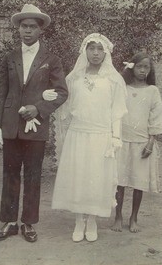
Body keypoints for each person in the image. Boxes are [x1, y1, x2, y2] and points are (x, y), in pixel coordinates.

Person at [0, 4, 68, 243]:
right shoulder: (10, 57)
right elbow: (1, 93)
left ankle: (28, 223)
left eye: (32, 27)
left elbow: (62, 92)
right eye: (24, 26)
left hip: (35, 128)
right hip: (11, 127)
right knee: (10, 174)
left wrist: (39, 109)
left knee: (33, 176)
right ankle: (10, 222)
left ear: (40, 30)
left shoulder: (51, 59)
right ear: (18, 29)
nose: (27, 31)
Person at [52, 33, 127, 242]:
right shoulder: (73, 78)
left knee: (96, 178)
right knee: (79, 176)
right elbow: (64, 107)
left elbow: (117, 111)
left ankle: (92, 220)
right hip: (78, 134)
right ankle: (79, 220)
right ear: (85, 51)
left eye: (99, 49)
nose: (95, 53)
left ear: (106, 52)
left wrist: (116, 137)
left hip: (101, 136)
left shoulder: (114, 80)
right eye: (91, 48)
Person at [111, 52, 162, 233]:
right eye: (139, 66)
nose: (142, 71)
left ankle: (134, 217)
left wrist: (150, 142)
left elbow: (156, 119)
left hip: (142, 143)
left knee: (138, 183)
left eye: (146, 67)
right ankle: (118, 215)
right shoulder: (122, 88)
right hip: (122, 141)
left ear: (150, 70)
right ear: (133, 67)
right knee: (120, 181)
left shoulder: (152, 91)